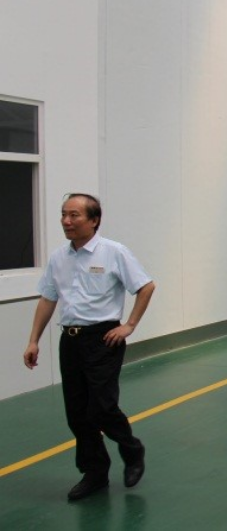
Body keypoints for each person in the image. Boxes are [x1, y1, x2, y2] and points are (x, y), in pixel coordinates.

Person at [23, 193, 155, 501]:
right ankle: (94, 472)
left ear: (94, 220)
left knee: (102, 407)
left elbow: (146, 286)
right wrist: (33, 340)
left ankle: (132, 450)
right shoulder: (59, 258)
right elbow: (48, 298)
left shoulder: (113, 252)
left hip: (103, 339)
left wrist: (129, 325)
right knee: (77, 412)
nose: (66, 221)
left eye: (74, 215)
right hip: (70, 340)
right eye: (63, 215)